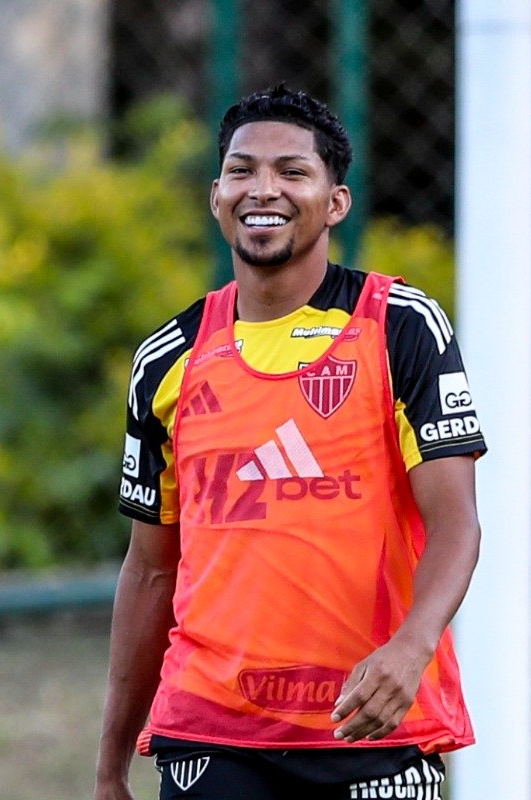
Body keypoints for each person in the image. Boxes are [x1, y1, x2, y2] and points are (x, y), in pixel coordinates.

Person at [95, 84, 486, 800]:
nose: (263, 189)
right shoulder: (167, 358)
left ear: (335, 202)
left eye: (292, 171)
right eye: (242, 171)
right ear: (217, 196)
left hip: (368, 725)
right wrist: (109, 768)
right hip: (210, 733)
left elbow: (456, 522)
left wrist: (411, 645)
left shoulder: (399, 325)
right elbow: (150, 570)